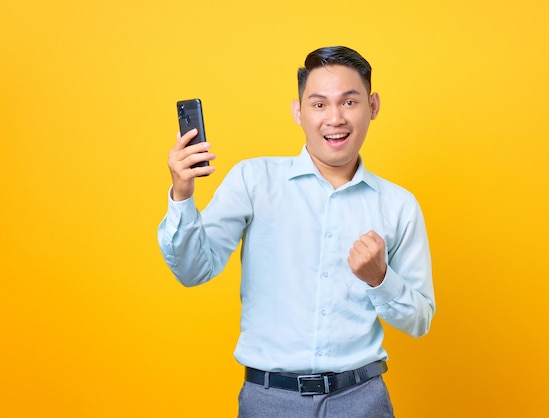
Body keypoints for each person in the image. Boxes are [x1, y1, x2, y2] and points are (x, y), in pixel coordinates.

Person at [158, 46, 435, 417]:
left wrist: (380, 279)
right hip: (269, 400)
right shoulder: (254, 180)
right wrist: (182, 193)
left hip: (361, 400)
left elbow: (419, 320)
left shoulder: (399, 205)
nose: (334, 118)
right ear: (297, 111)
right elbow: (193, 270)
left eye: (349, 102)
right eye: (319, 104)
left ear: (373, 106)